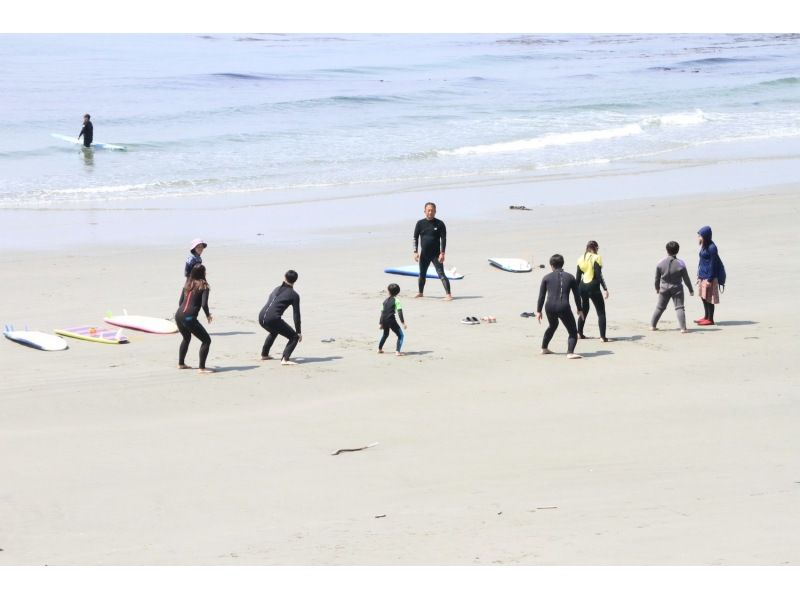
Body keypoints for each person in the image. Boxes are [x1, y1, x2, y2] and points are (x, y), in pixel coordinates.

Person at [536, 254, 584, 359]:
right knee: (572, 331)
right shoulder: (570, 277)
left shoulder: (546, 277)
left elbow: (542, 295)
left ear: (551, 265)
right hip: (563, 307)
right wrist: (579, 309)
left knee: (552, 326)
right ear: (562, 264)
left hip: (549, 307)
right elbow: (577, 295)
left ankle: (544, 348)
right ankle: (570, 352)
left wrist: (538, 311)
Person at [259, 270, 302, 365]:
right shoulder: (294, 295)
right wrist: (298, 332)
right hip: (272, 319)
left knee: (274, 331)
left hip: (261, 317)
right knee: (294, 337)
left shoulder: (276, 288)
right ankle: (285, 359)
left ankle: (264, 354)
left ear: (284, 277)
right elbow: (296, 314)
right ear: (295, 281)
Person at [176, 264, 213, 373]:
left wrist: (183, 314)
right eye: (205, 271)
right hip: (189, 317)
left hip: (178, 315)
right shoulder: (204, 286)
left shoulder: (187, 284)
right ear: (203, 273)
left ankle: (181, 364)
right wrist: (208, 315)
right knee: (206, 340)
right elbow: (204, 304)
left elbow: (180, 302)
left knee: (186, 338)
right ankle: (201, 368)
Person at [651, 241, 694, 333]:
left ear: (667, 250)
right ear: (677, 251)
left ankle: (653, 325)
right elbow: (686, 278)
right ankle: (683, 328)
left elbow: (656, 278)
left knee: (660, 307)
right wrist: (690, 289)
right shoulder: (681, 263)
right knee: (679, 307)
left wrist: (657, 288)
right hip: (677, 288)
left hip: (664, 288)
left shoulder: (660, 263)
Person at [412, 202, 453, 300]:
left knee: (441, 274)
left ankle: (448, 295)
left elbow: (443, 239)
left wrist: (442, 253)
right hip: (424, 255)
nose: (430, 212)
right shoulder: (420, 223)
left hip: (436, 254)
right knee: (422, 274)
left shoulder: (440, 223)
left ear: (435, 211)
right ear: (424, 211)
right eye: (428, 210)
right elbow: (415, 238)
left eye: (432, 210)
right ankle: (420, 292)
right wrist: (415, 252)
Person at [576, 240, 610, 342]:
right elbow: (598, 275)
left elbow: (577, 277)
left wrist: (575, 290)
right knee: (601, 312)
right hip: (593, 287)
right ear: (595, 248)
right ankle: (602, 337)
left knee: (584, 309)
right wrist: (605, 289)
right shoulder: (597, 257)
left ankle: (579, 333)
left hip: (582, 287)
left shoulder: (580, 258)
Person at [696, 225, 726, 326]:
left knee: (709, 298)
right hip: (702, 275)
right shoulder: (704, 245)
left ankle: (710, 319)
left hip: (710, 277)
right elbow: (702, 261)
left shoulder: (712, 248)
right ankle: (705, 316)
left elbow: (713, 264)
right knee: (703, 297)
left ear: (706, 236)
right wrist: (698, 275)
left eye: (700, 236)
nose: (699, 238)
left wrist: (709, 279)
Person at [378, 283, 407, 356]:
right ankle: (397, 351)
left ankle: (380, 349)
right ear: (398, 292)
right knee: (401, 335)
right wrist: (403, 323)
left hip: (384, 320)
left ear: (388, 291)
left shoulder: (384, 301)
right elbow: (399, 311)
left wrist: (381, 323)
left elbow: (382, 313)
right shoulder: (396, 300)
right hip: (391, 320)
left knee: (385, 334)